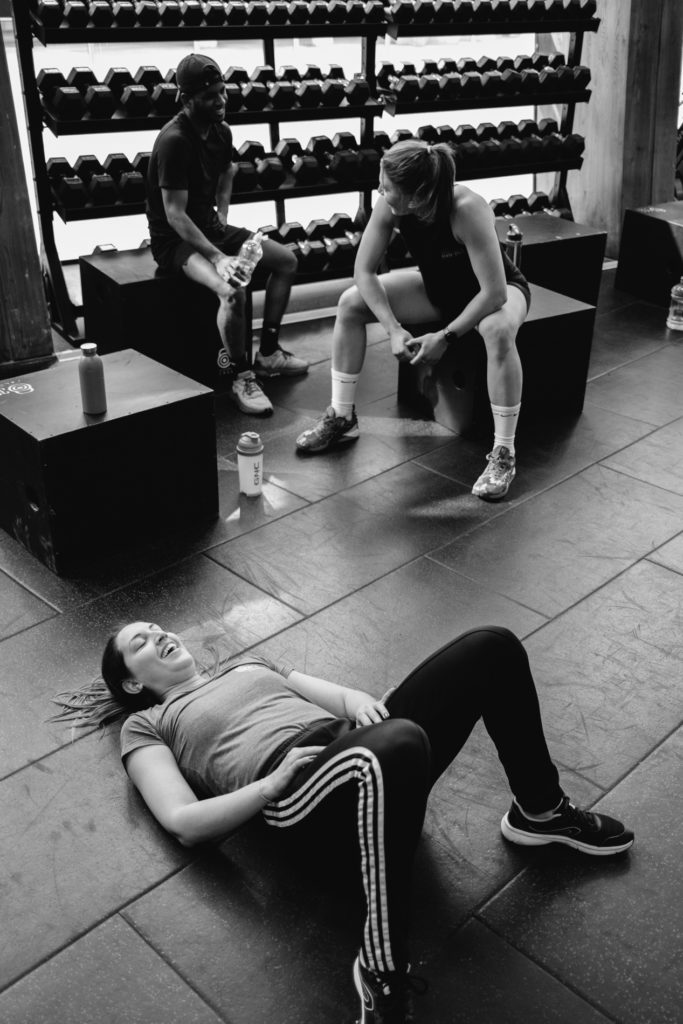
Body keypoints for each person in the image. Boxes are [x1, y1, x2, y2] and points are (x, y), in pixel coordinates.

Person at [53, 622, 633, 1024]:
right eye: (140, 641)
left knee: (492, 646)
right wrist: (268, 787)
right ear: (132, 682)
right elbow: (182, 820)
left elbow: (338, 697)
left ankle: (540, 810)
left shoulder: (248, 664)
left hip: (364, 748)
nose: (158, 634)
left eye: (156, 626)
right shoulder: (149, 724)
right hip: (299, 793)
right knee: (398, 741)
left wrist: (358, 703)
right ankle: (380, 968)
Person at [296, 139, 531, 500]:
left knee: (497, 329)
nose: (380, 190)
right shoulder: (391, 206)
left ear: (418, 196)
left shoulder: (467, 208)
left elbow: (494, 293)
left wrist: (446, 337)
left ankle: (504, 454)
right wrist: (392, 328)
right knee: (350, 303)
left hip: (495, 292)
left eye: (387, 187)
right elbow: (363, 270)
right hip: (440, 291)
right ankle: (342, 416)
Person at [146, 53, 307, 416]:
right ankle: (242, 376)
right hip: (176, 241)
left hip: (210, 227)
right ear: (186, 100)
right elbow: (174, 215)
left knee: (286, 261)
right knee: (232, 291)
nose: (219, 100)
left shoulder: (221, 130)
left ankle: (268, 352)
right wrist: (218, 257)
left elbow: (227, 172)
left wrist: (222, 216)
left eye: (222, 91)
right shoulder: (174, 141)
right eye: (209, 96)